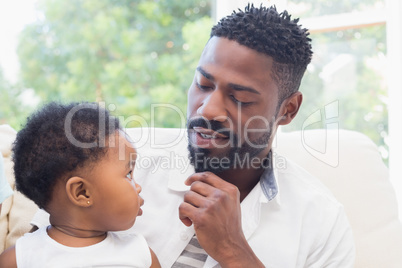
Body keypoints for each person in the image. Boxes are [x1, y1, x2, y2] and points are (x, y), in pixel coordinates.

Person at [30, 4, 355, 267]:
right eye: (203, 84)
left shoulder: (322, 223)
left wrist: (234, 252)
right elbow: (37, 248)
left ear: (288, 110)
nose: (208, 109)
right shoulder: (111, 159)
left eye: (239, 98)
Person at [0, 102, 160, 268]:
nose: (138, 187)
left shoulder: (141, 255)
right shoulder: (19, 259)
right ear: (82, 192)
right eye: (128, 174)